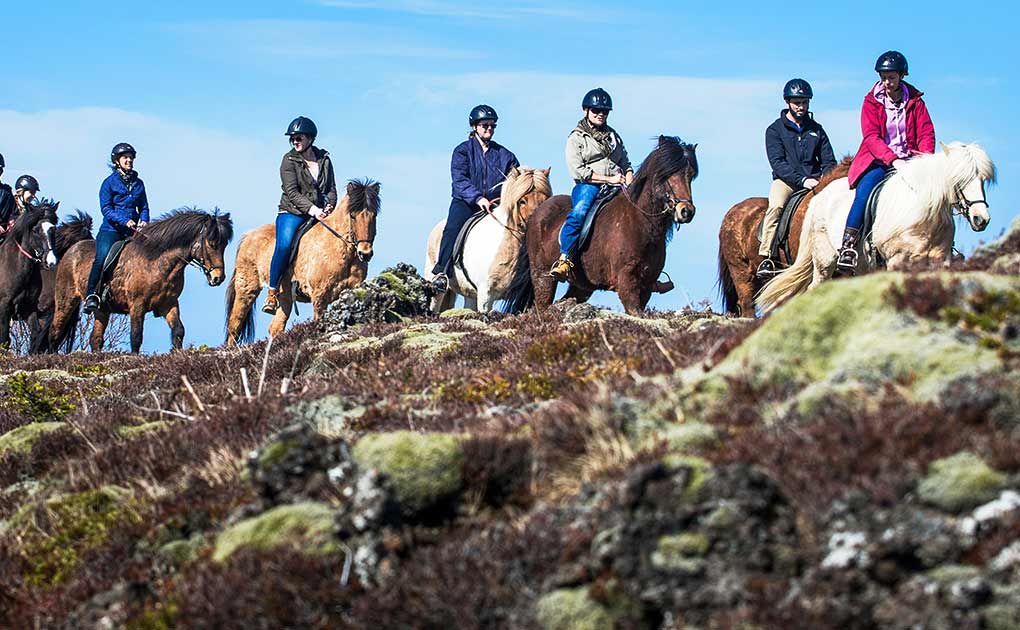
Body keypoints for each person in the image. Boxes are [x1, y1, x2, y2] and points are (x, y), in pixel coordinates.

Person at [838, 50, 935, 274]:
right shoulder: (871, 101)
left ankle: (942, 243)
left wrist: (925, 159)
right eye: (883, 77)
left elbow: (926, 133)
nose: (887, 82)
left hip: (911, 161)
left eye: (891, 77)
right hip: (879, 161)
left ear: (902, 76)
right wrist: (893, 160)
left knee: (935, 192)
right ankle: (848, 246)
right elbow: (871, 137)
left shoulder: (917, 102)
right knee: (865, 193)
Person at [431, 105, 519, 292]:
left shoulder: (506, 155)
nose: (489, 128)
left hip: (496, 204)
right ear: (474, 127)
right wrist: (478, 198)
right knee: (451, 229)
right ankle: (441, 272)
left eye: (492, 125)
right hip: (466, 202)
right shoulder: (462, 151)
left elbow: (515, 180)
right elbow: (460, 180)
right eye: (485, 125)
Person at [550, 87, 633, 281]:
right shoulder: (577, 137)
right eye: (596, 110)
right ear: (586, 110)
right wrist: (608, 179)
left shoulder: (613, 137)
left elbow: (625, 162)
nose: (600, 114)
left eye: (604, 111)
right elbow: (578, 171)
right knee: (579, 213)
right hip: (589, 185)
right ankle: (565, 258)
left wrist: (629, 177)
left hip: (617, 184)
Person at [758, 78, 837, 279]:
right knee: (776, 207)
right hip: (786, 181)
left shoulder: (817, 129)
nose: (801, 107)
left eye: (804, 102)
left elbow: (829, 160)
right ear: (787, 102)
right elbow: (778, 163)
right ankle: (767, 255)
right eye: (797, 103)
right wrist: (802, 180)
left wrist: (826, 179)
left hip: (816, 182)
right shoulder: (774, 130)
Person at [263, 116, 338, 314]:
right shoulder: (288, 161)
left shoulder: (324, 159)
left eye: (299, 138)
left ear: (310, 138)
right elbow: (292, 192)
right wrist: (314, 210)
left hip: (319, 213)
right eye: (293, 138)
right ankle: (272, 291)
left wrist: (330, 206)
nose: (295, 141)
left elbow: (331, 188)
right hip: (292, 212)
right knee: (284, 245)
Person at [83, 143, 150, 314]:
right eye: (125, 157)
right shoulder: (108, 183)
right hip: (111, 230)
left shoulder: (139, 183)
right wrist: (124, 221)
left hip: (133, 231)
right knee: (101, 258)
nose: (129, 160)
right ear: (117, 161)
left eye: (131, 157)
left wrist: (144, 220)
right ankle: (91, 295)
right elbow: (106, 209)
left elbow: (144, 207)